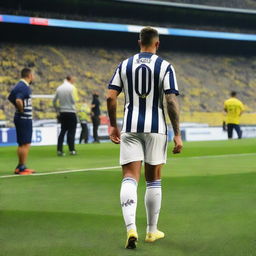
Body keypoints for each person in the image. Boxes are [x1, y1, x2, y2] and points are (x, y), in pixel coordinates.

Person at [107, 27, 183, 249]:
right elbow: (171, 101)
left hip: (130, 127)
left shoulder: (124, 65)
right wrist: (177, 133)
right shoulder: (166, 66)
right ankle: (151, 231)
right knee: (153, 180)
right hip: (156, 128)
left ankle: (131, 227)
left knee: (130, 177)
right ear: (157, 44)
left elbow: (110, 97)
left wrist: (113, 125)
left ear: (138, 41)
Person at [8, 68, 35, 175]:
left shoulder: (18, 85)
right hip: (24, 118)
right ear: (29, 75)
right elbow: (18, 100)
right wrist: (21, 109)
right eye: (33, 75)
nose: (34, 77)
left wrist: (19, 108)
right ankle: (21, 167)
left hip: (20, 118)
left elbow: (11, 97)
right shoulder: (24, 87)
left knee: (22, 143)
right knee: (25, 143)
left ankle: (21, 166)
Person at [53, 76, 78, 156]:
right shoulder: (72, 88)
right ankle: (72, 150)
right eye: (73, 80)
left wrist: (58, 110)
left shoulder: (59, 88)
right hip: (71, 112)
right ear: (70, 79)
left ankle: (59, 150)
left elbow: (54, 101)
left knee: (62, 131)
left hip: (62, 112)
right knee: (71, 132)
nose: (74, 81)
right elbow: (74, 100)